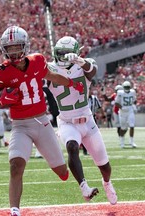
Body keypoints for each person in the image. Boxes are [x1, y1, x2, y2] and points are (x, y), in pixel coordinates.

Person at [0, 26, 84, 216]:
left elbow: (52, 76)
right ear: (3, 49)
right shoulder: (0, 72)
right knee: (15, 166)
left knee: (62, 172)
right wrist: (2, 101)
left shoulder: (37, 61)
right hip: (20, 125)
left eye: (17, 46)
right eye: (9, 48)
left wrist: (72, 83)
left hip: (42, 123)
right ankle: (14, 210)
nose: (13, 52)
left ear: (25, 46)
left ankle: (61, 166)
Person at [47, 36, 117, 205]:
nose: (63, 57)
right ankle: (84, 187)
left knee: (105, 166)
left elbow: (92, 71)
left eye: (67, 53)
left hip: (88, 121)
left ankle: (106, 183)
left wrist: (79, 61)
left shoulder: (85, 64)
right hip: (66, 121)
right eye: (60, 53)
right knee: (72, 146)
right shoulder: (49, 68)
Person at [115, 81, 137, 148]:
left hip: (130, 111)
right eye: (126, 87)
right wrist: (122, 107)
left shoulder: (133, 92)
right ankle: (122, 142)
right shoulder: (120, 93)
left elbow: (134, 101)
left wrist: (133, 106)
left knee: (132, 126)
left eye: (128, 87)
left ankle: (131, 142)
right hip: (122, 112)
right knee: (123, 128)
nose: (127, 88)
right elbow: (116, 103)